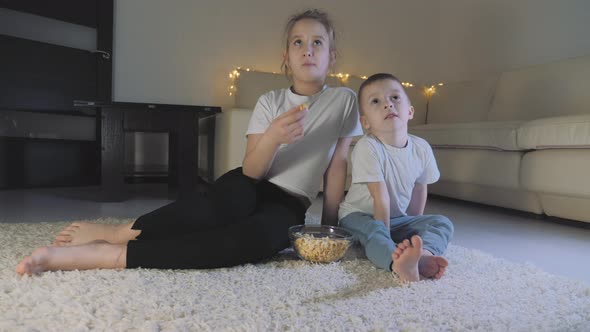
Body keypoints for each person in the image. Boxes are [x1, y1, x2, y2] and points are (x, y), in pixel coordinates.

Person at [16, 9, 363, 275]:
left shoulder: (345, 101)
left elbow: (337, 165)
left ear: (332, 55)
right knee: (220, 209)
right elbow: (253, 170)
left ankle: (113, 255)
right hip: (249, 183)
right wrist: (273, 136)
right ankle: (120, 231)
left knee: (257, 240)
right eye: (297, 42)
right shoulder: (270, 102)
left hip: (289, 203)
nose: (307, 49)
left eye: (318, 41)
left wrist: (330, 226)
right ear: (286, 56)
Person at [338, 73, 454, 283]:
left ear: (410, 111)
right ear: (365, 122)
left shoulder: (421, 148)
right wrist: (388, 235)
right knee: (376, 231)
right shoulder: (368, 147)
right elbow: (380, 198)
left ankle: (423, 255)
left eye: (395, 98)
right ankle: (396, 263)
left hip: (396, 219)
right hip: (360, 216)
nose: (387, 105)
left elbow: (420, 188)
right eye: (376, 101)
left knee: (442, 222)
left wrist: (413, 230)